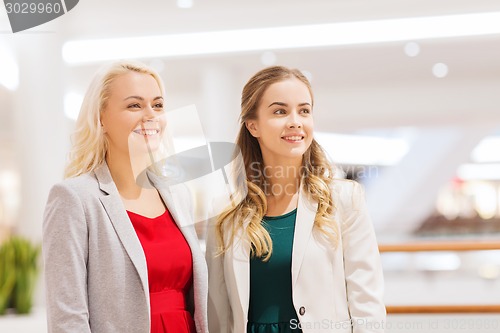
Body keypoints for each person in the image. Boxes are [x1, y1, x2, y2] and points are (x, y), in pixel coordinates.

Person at [206, 66, 386, 333]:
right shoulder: (225, 212)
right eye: (280, 111)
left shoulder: (345, 199)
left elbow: (366, 301)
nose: (295, 121)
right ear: (253, 125)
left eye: (304, 110)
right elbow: (217, 308)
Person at [43, 60, 208, 333]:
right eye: (134, 105)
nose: (150, 115)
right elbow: (67, 318)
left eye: (157, 105)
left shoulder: (178, 195)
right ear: (101, 118)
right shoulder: (74, 199)